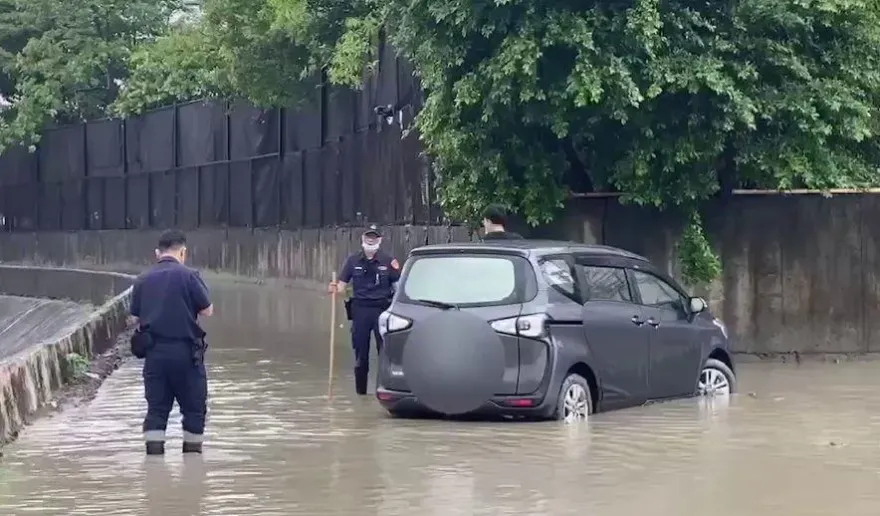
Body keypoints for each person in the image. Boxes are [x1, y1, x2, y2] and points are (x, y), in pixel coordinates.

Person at [130, 230, 214, 456]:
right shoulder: (189, 276)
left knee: (156, 411)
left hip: (155, 356)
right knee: (194, 411)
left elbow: (135, 317)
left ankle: (154, 466)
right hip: (187, 356)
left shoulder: (143, 280)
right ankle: (193, 467)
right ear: (183, 252)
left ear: (158, 253)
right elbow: (207, 310)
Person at [328, 225, 401, 395]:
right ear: (362, 239)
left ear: (380, 240)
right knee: (361, 356)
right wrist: (335, 288)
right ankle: (361, 394)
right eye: (368, 237)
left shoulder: (388, 261)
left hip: (382, 311)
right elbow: (341, 286)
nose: (371, 240)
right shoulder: (353, 261)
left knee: (385, 354)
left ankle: (384, 391)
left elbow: (398, 289)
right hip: (360, 311)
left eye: (374, 237)